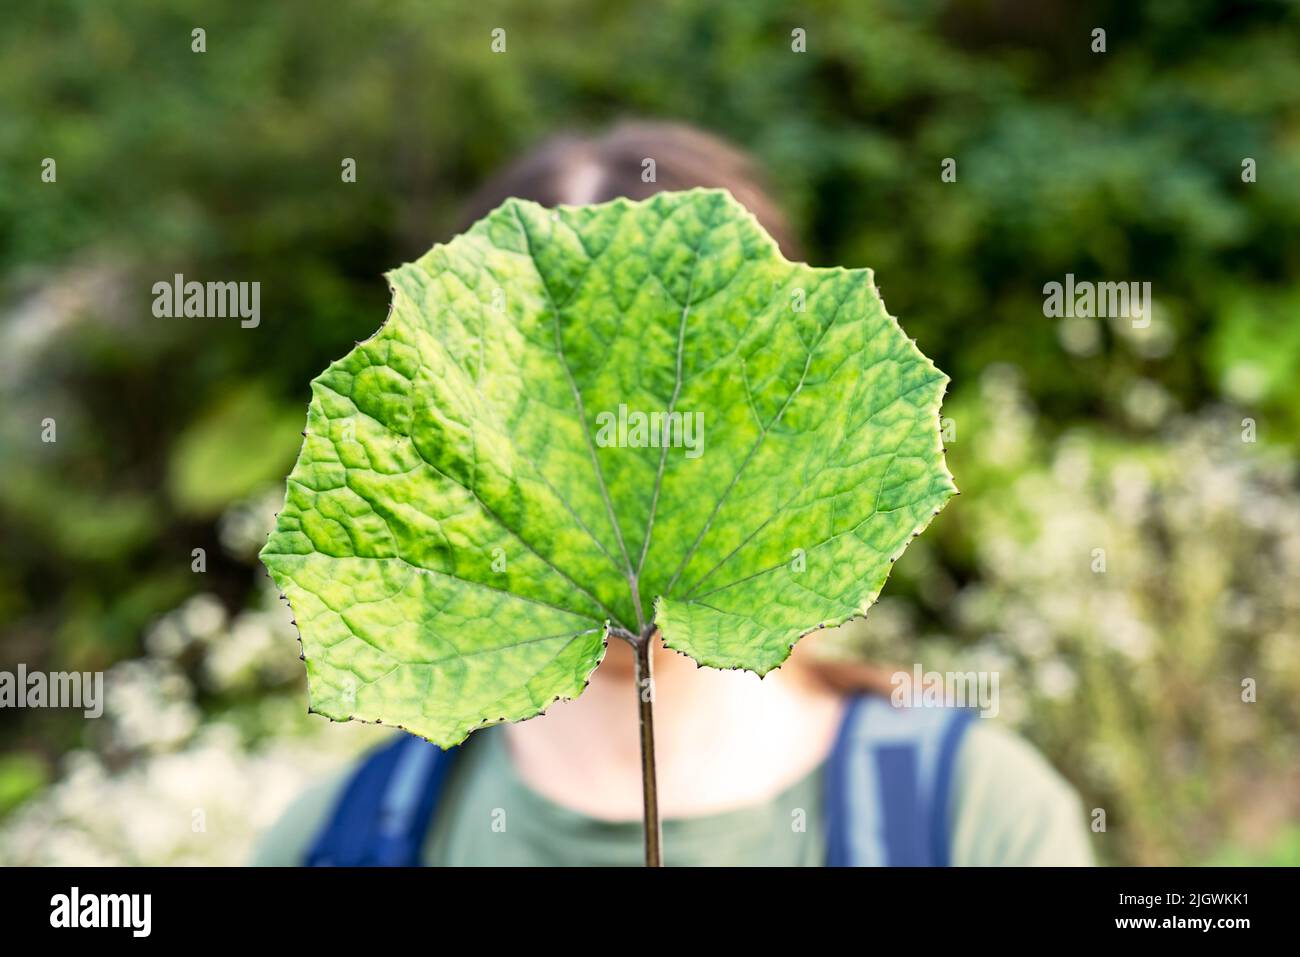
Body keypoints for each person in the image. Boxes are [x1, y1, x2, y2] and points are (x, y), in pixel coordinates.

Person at [252, 121, 1094, 867]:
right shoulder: (338, 839)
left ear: (789, 416)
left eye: (663, 411)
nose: (612, 468)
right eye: (550, 414)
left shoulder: (976, 821)